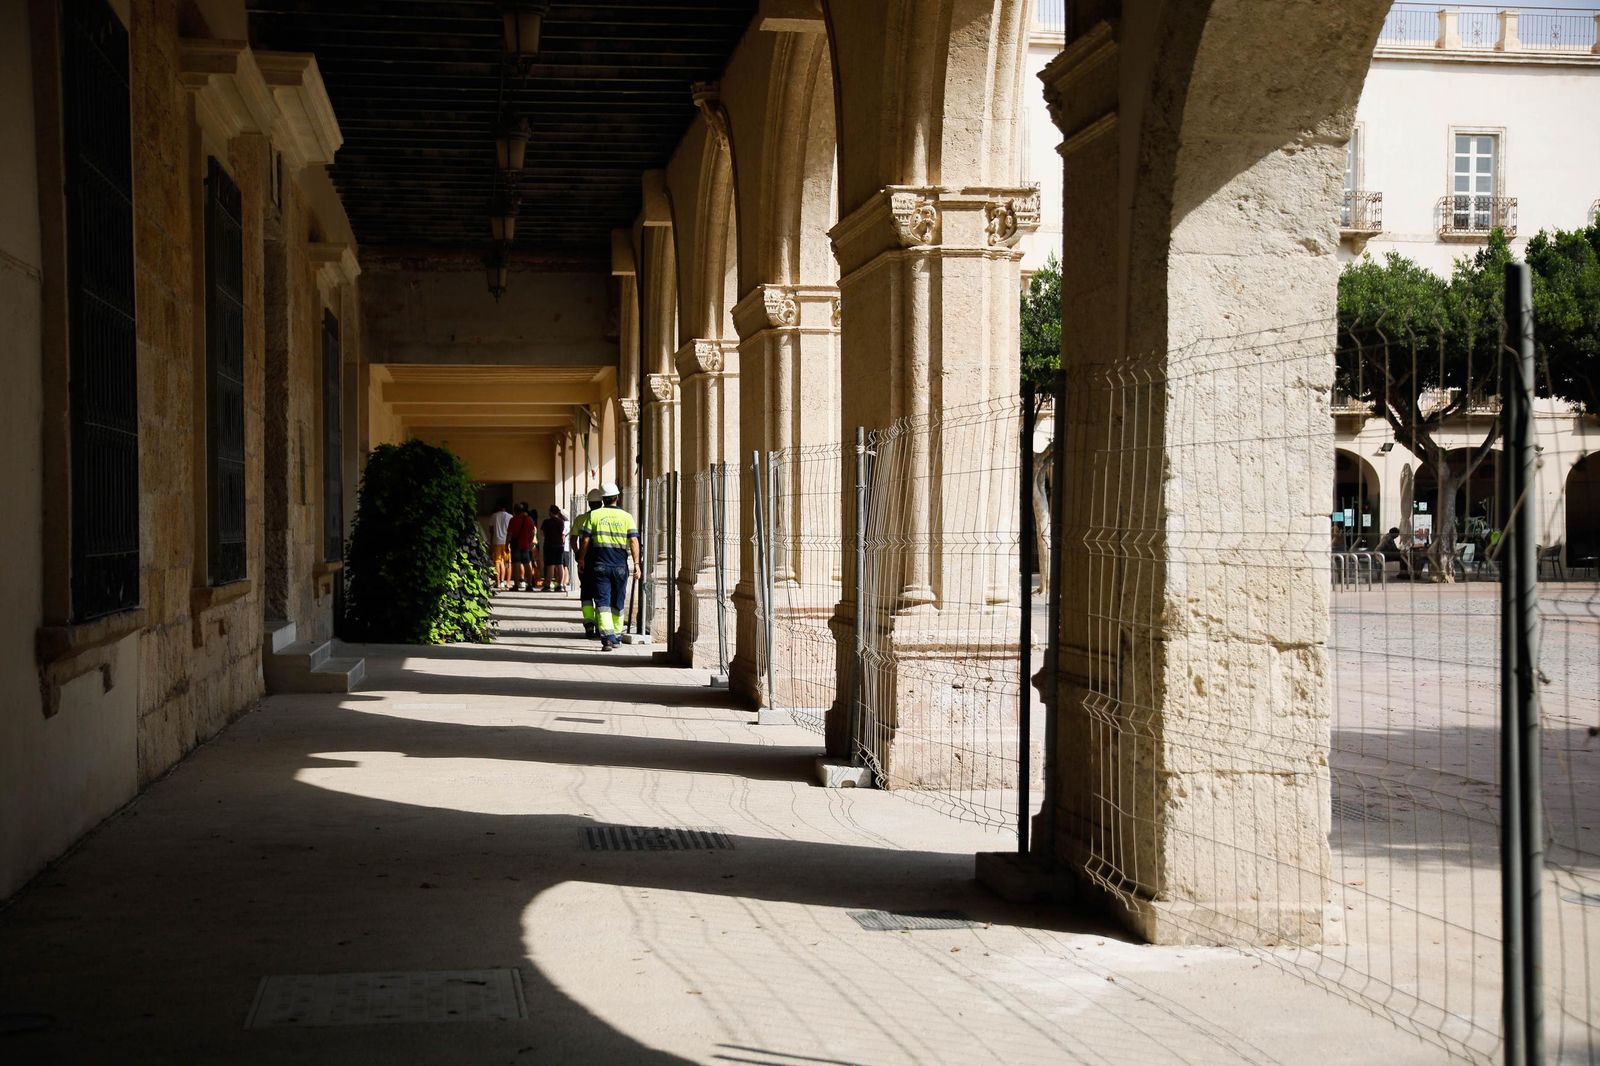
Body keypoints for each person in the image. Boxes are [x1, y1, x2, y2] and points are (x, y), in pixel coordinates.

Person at [577, 482, 639, 652]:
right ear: (617, 497)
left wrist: (581, 559)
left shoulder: (594, 515)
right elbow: (633, 541)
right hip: (620, 565)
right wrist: (637, 564)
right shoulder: (627, 517)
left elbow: (585, 540)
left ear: (603, 499)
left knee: (602, 602)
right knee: (617, 602)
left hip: (600, 565)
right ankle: (617, 636)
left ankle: (607, 640)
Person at [572, 489, 603, 635]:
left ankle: (589, 623)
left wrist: (578, 553)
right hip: (602, 559)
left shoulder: (580, 519)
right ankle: (600, 624)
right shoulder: (603, 519)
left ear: (589, 503)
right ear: (601, 502)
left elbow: (573, 539)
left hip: (585, 562)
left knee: (586, 593)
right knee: (601, 593)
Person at [507, 503, 536, 592]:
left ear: (515, 511)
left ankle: (516, 585)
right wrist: (530, 542)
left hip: (515, 544)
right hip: (525, 545)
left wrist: (506, 544)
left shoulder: (513, 520)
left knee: (516, 565)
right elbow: (532, 532)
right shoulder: (529, 520)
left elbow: (510, 534)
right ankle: (530, 585)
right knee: (527, 565)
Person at [541, 505, 568, 593]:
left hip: (549, 545)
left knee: (550, 565)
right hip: (559, 545)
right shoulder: (561, 522)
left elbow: (542, 533)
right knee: (559, 565)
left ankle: (547, 585)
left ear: (551, 512)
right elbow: (562, 534)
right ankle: (559, 585)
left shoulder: (546, 522)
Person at [489, 501, 513, 590]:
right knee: (507, 562)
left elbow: (491, 530)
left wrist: (491, 543)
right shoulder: (510, 517)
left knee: (498, 562)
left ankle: (498, 582)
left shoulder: (494, 516)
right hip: (507, 542)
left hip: (496, 541)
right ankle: (508, 582)